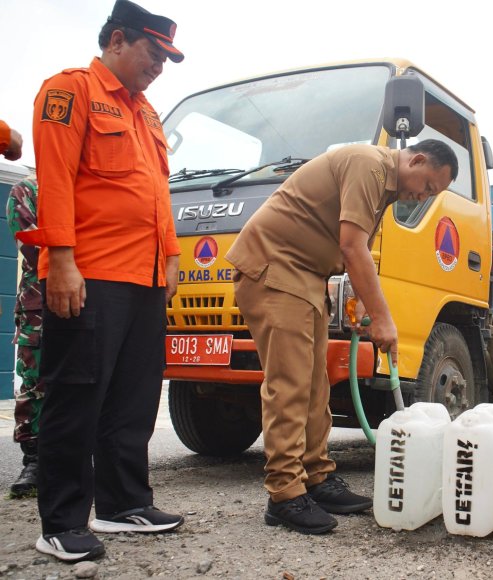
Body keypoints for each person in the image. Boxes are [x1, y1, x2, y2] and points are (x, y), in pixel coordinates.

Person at [15, 0, 185, 563]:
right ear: (117, 40)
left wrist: (171, 258)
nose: (160, 65)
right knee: (77, 398)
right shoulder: (70, 91)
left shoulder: (148, 114)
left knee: (135, 399)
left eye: (167, 58)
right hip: (90, 274)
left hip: (143, 276)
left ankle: (123, 504)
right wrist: (60, 260)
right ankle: (61, 521)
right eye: (153, 52)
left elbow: (156, 193)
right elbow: (55, 177)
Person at [226, 139, 458, 534]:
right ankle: (284, 493)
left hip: (305, 278)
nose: (422, 195)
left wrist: (365, 303)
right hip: (275, 269)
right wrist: (383, 319)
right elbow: (352, 246)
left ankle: (316, 476)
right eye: (427, 186)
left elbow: (358, 246)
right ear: (416, 159)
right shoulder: (368, 164)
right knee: (290, 384)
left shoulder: (384, 186)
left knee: (315, 385)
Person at [6, 176, 43, 498]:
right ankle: (34, 461)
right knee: (34, 382)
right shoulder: (29, 189)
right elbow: (30, 243)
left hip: (92, 301)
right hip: (39, 306)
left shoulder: (90, 187)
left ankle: (77, 456)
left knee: (84, 383)